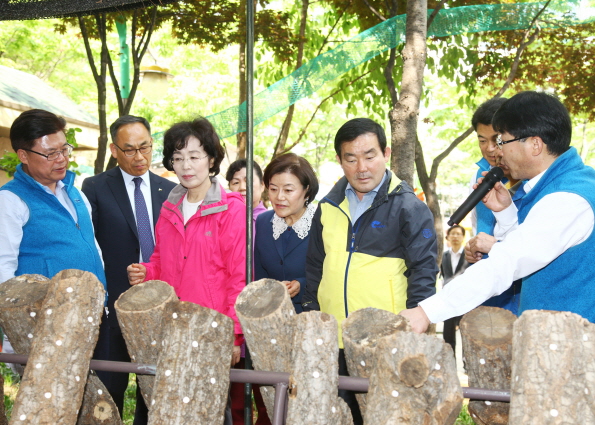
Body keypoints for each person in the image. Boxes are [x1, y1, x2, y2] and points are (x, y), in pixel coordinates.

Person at [401, 91, 595, 334]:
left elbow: (508, 263)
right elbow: (528, 251)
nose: (497, 152)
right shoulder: (560, 184)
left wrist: (426, 312)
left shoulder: (567, 199)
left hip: (570, 345)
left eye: (503, 141)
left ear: (535, 144)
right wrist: (505, 213)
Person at [304, 118, 438, 424]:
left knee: (384, 416)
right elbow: (314, 265)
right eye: (351, 159)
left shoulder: (409, 207)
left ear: (386, 153)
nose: (361, 167)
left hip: (385, 339)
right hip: (333, 338)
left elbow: (423, 271)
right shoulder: (327, 207)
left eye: (369, 156)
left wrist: (413, 330)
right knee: (337, 414)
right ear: (340, 160)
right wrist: (312, 313)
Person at [127, 116, 246, 363]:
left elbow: (240, 276)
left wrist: (234, 335)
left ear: (211, 159)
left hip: (211, 327)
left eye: (194, 157)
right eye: (178, 158)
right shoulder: (170, 208)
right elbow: (161, 261)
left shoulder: (230, 209)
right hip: (172, 325)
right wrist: (146, 271)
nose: (186, 166)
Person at [81, 115, 176, 423]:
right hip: (114, 307)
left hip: (160, 305)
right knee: (111, 390)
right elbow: (90, 247)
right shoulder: (95, 187)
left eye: (145, 147)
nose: (140, 157)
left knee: (156, 390)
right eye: (130, 149)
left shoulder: (171, 190)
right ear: (113, 150)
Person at [0, 109, 105, 288]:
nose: (62, 159)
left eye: (65, 149)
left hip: (90, 307)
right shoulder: (10, 201)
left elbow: (93, 247)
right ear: (23, 155)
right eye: (51, 153)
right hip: (44, 312)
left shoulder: (76, 194)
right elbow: (3, 268)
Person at [468, 98, 524, 314]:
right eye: (482, 140)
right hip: (486, 294)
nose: (490, 149)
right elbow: (479, 229)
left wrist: (497, 245)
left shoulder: (531, 179)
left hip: (521, 298)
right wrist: (472, 250)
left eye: (497, 139)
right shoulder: (481, 176)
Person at [225, 158, 270, 425]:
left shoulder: (269, 220)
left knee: (266, 395)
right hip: (233, 315)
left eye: (248, 182)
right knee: (236, 398)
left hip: (262, 318)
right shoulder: (223, 219)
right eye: (235, 182)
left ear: (262, 186)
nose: (242, 187)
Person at [255, 153, 319, 313]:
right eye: (273, 189)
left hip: (311, 317)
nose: (279, 197)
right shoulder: (263, 222)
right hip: (271, 317)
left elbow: (333, 274)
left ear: (307, 191)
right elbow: (258, 275)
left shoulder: (322, 223)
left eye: (288, 190)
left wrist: (302, 284)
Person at [440, 225, 470, 355]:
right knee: (448, 336)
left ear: (463, 237)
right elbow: (443, 275)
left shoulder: (469, 256)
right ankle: (449, 363)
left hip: (465, 300)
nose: (455, 237)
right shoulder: (444, 256)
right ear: (448, 237)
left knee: (466, 334)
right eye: (453, 234)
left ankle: (466, 365)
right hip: (448, 301)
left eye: (458, 234)